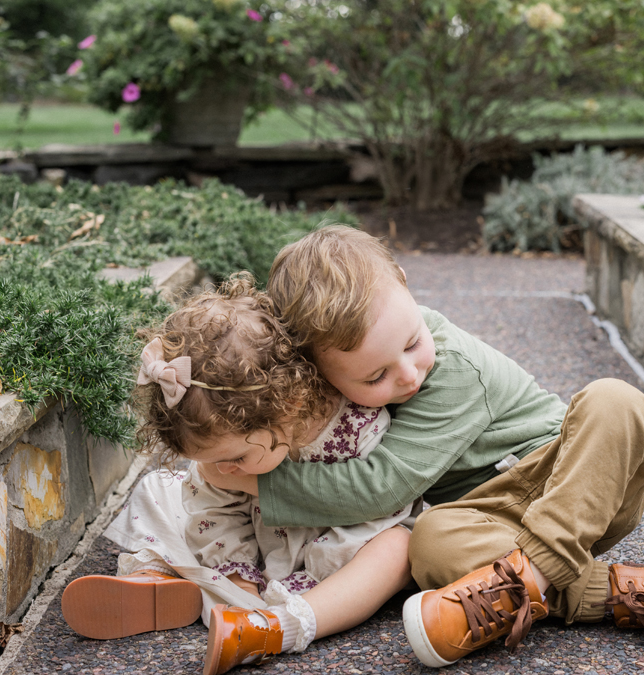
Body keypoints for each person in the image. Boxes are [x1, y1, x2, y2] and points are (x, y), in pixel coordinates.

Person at [208, 225, 644, 668]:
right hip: (488, 520)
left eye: (413, 342)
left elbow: (383, 486)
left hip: (570, 482)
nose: (408, 375)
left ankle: (527, 580)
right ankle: (633, 591)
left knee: (615, 399)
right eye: (375, 377)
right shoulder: (335, 383)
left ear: (404, 282)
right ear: (319, 371)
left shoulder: (455, 368)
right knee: (429, 543)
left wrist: (262, 481)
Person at [60, 273, 418, 675]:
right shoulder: (229, 456)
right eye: (214, 459)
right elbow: (215, 513)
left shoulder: (355, 429)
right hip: (254, 558)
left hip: (331, 557)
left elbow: (374, 509)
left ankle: (276, 627)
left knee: (396, 548)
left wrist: (305, 576)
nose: (225, 470)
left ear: (290, 403)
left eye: (237, 458)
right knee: (160, 488)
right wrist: (240, 575)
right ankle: (157, 579)